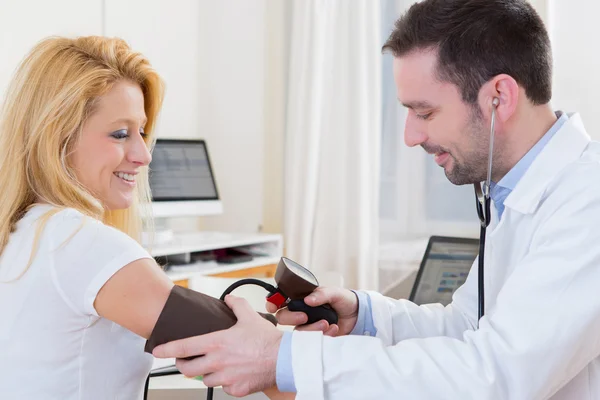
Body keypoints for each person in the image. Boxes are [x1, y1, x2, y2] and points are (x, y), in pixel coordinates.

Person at [152, 1, 600, 399]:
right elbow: (466, 327)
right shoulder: (510, 194)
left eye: (425, 112)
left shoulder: (587, 199)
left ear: (499, 96)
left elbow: (496, 376)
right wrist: (365, 314)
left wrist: (283, 358)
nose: (410, 136)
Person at [0, 36, 180, 399]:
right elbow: (248, 357)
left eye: (142, 133)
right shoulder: (82, 243)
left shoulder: (22, 233)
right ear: (57, 137)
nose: (144, 155)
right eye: (120, 134)